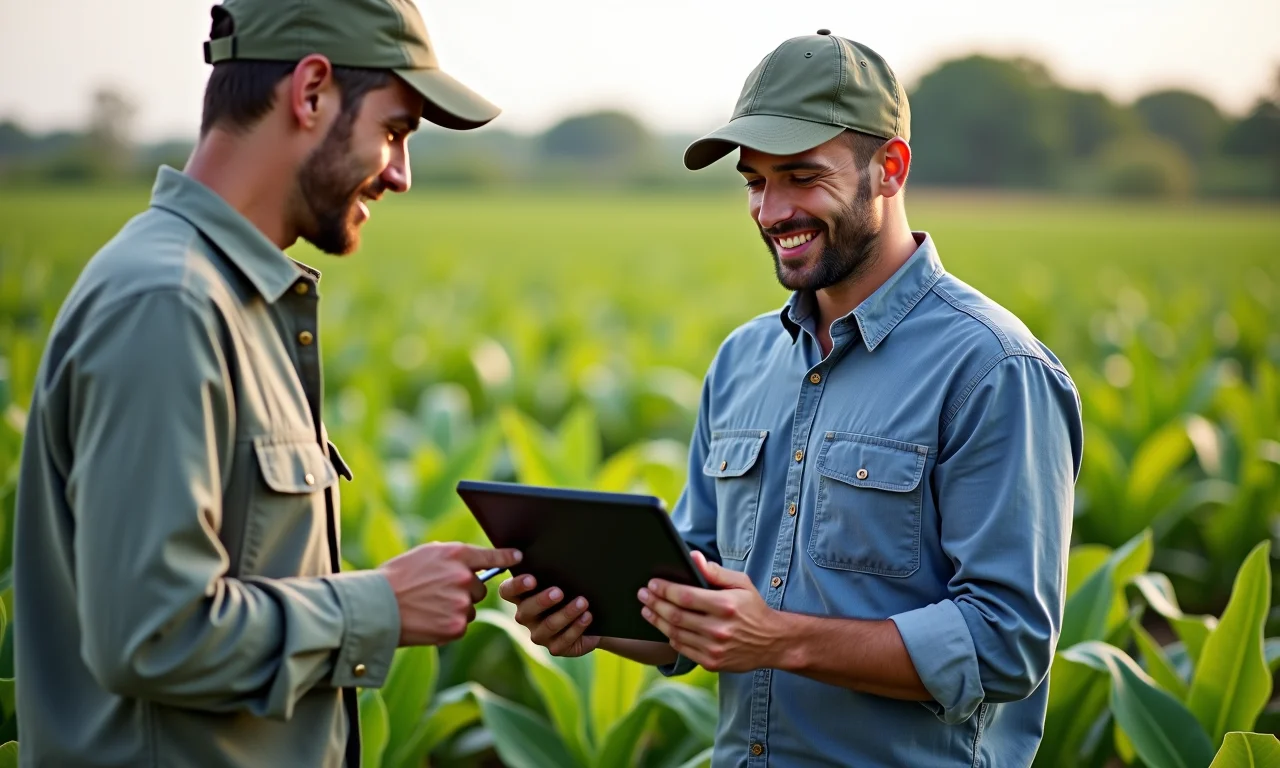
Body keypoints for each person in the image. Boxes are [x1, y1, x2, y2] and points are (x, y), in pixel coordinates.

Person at [500, 30, 1084, 767]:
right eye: (754, 181)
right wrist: (588, 616)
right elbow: (700, 592)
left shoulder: (993, 368)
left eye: (802, 177)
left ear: (890, 169)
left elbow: (1006, 644)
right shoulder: (744, 359)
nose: (771, 210)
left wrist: (779, 638)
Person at [13, 1, 521, 765]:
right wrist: (379, 605)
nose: (401, 175)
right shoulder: (170, 304)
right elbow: (153, 634)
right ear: (311, 91)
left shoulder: (228, 296)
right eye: (394, 131)